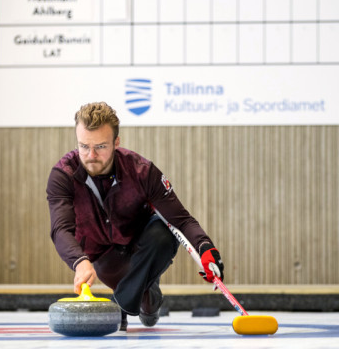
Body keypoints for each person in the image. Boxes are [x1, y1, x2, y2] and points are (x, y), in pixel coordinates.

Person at [47, 101, 224, 330]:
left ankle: (122, 304)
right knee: (141, 292)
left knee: (164, 231)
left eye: (100, 146)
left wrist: (206, 248)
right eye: (83, 146)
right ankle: (147, 293)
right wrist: (80, 262)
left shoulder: (142, 171)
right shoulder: (63, 175)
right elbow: (60, 229)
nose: (91, 156)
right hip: (104, 257)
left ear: (116, 143)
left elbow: (181, 220)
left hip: (143, 246)